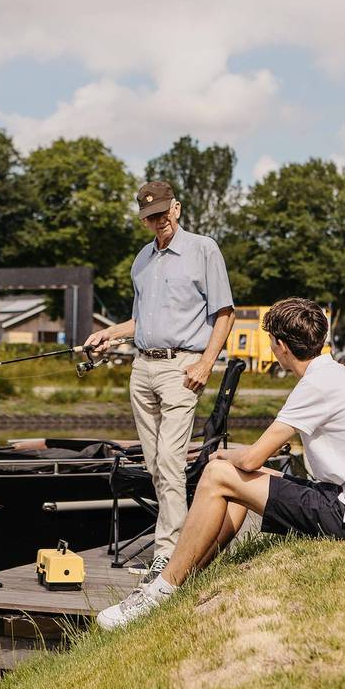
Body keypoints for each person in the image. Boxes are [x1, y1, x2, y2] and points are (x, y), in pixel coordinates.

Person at [97, 297, 345, 630]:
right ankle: (186, 577)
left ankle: (158, 592)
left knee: (217, 473)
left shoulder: (316, 385)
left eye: (271, 342)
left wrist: (224, 455)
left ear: (281, 346)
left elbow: (255, 455)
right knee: (237, 477)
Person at [84, 180, 236, 585]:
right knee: (155, 466)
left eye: (162, 213)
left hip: (182, 368)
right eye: (149, 217)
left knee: (170, 463)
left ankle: (168, 556)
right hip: (142, 369)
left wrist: (206, 363)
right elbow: (141, 322)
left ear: (177, 209)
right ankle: (180, 542)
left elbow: (225, 313)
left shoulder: (204, 249)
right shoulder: (142, 261)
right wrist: (108, 335)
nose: (157, 221)